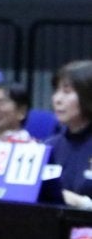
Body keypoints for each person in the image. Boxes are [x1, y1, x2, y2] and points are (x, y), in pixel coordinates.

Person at [45, 60, 92, 210]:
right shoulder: (49, 146)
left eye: (67, 92)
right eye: (56, 91)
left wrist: (83, 204)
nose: (57, 99)